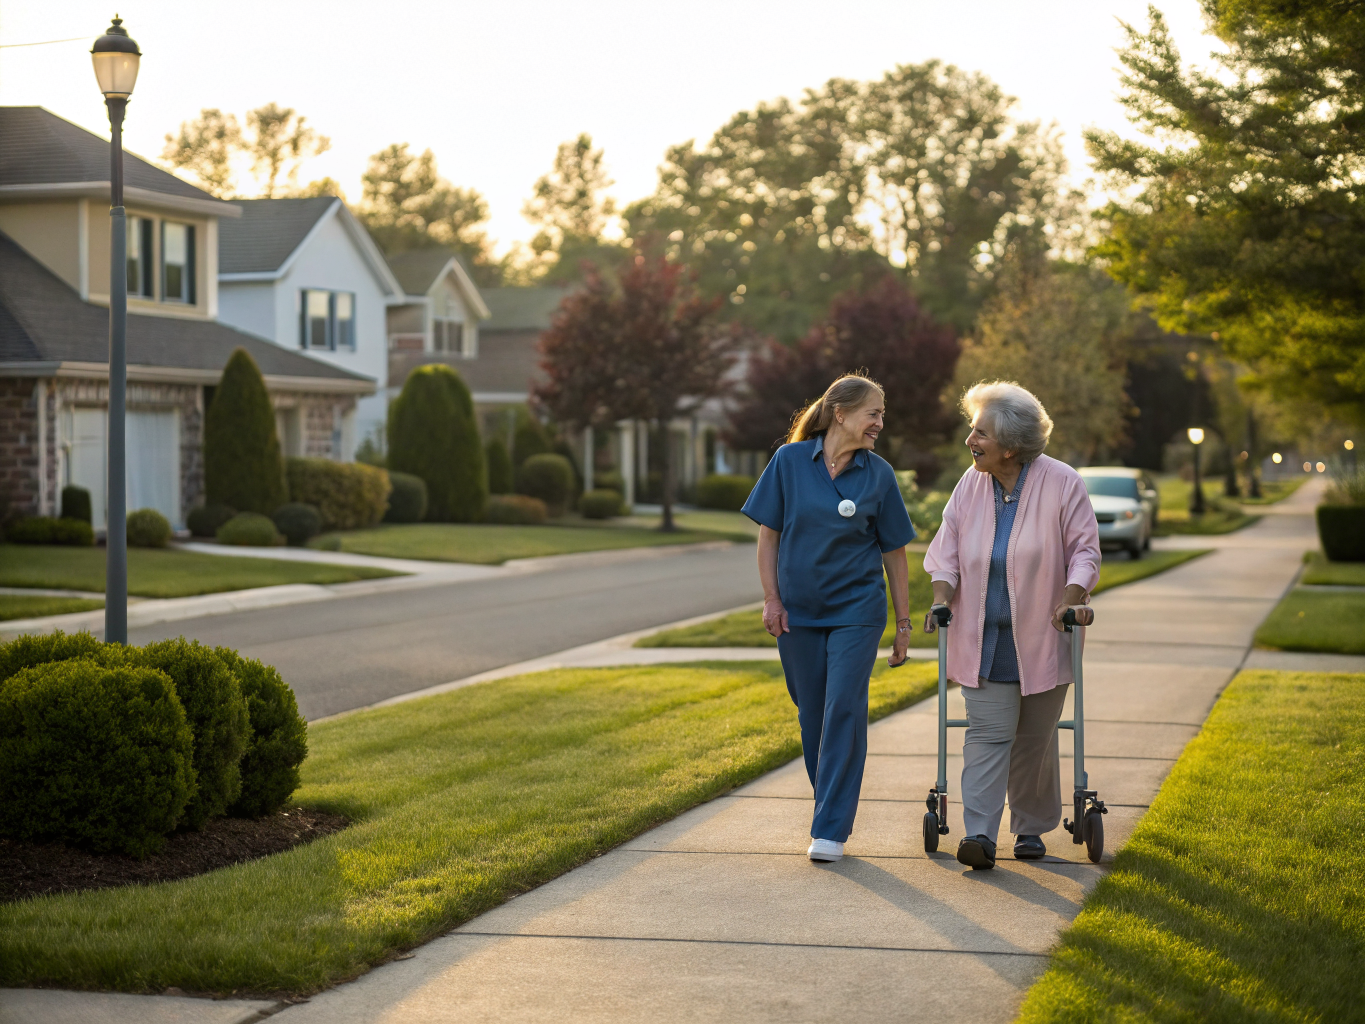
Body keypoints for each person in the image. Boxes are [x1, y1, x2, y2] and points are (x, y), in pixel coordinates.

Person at [922, 381, 1100, 870]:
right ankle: (978, 833)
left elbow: (1085, 551)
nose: (970, 441)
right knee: (986, 734)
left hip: (1044, 636)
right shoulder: (970, 484)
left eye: (980, 433)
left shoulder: (1062, 482)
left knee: (1034, 740)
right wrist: (941, 599)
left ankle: (1029, 827)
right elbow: (947, 552)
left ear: (1011, 446)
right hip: (982, 639)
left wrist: (1069, 601)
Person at [741, 374, 915, 864]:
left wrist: (903, 624)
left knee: (843, 708)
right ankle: (829, 806)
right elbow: (768, 536)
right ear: (840, 412)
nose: (881, 423)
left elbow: (895, 554)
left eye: (882, 414)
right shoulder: (789, 462)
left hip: (857, 610)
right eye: (873, 413)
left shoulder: (878, 474)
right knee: (812, 714)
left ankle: (830, 828)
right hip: (798, 611)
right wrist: (772, 599)